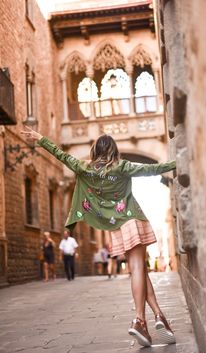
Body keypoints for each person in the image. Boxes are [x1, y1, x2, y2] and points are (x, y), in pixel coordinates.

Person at [21, 126, 176, 347]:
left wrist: (41, 138)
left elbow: (61, 155)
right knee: (139, 270)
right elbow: (154, 168)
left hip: (116, 227)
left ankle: (159, 316)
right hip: (132, 219)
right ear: (113, 150)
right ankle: (140, 320)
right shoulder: (122, 166)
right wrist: (178, 162)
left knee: (139, 272)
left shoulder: (86, 169)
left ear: (95, 152)